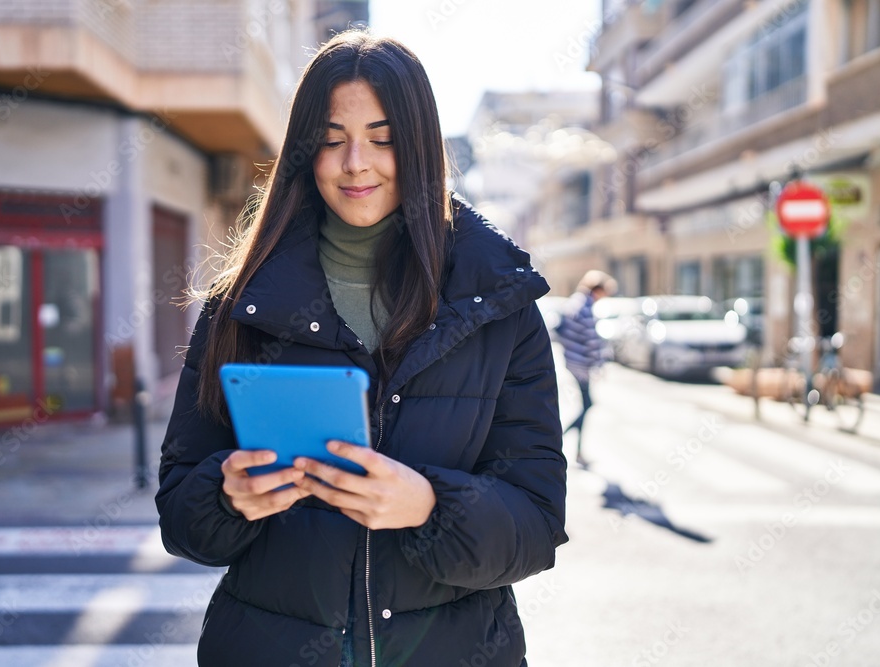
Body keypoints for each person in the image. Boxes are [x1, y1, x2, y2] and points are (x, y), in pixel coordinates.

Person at [155, 30, 567, 667]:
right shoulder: (241, 303)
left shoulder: (497, 304)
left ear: (421, 147)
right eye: (330, 140)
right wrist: (226, 496)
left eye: (383, 139)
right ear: (303, 152)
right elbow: (181, 519)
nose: (356, 164)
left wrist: (430, 507)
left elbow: (537, 525)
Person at [556, 270, 617, 467]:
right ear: (597, 290)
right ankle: (560, 441)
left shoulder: (574, 302)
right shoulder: (586, 307)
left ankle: (575, 449)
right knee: (588, 404)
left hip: (572, 361)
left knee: (586, 404)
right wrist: (598, 365)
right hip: (581, 364)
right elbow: (592, 342)